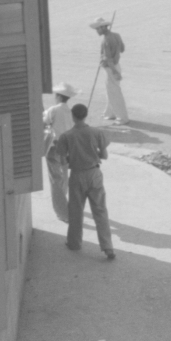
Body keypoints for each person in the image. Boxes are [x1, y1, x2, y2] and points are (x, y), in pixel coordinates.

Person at [56, 104, 115, 259]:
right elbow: (104, 156)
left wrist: (74, 157)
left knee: (75, 211)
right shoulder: (97, 132)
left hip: (76, 175)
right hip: (94, 174)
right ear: (86, 115)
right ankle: (108, 247)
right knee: (100, 211)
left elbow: (62, 160)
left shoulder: (66, 136)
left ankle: (74, 243)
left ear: (73, 116)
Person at [43, 83, 77, 222]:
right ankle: (63, 202)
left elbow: (44, 120)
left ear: (58, 96)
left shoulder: (54, 109)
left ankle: (63, 212)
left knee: (55, 179)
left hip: (54, 147)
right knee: (64, 177)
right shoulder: (71, 112)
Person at [90, 17, 129, 124]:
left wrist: (115, 73)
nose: (97, 31)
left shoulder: (105, 41)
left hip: (111, 68)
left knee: (114, 92)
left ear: (103, 28)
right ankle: (110, 113)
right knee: (111, 91)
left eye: (98, 29)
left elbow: (108, 59)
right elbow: (122, 49)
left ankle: (122, 117)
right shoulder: (117, 35)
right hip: (117, 66)